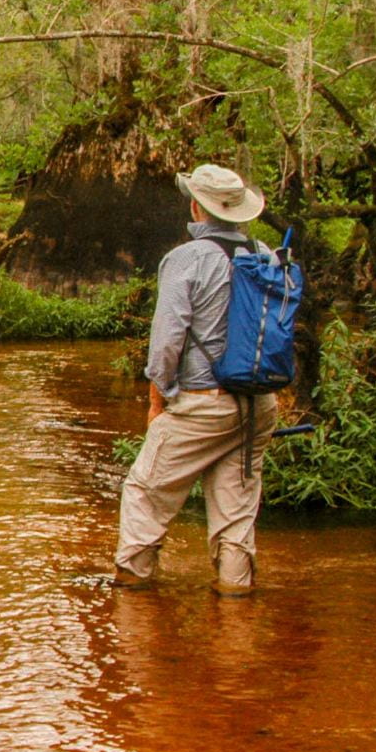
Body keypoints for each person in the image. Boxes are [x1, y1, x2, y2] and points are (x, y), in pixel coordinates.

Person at [114, 163, 280, 596]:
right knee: (236, 510)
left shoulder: (186, 258)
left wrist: (157, 402)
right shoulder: (266, 253)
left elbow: (167, 342)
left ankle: (133, 589)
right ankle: (235, 603)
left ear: (195, 207)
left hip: (204, 402)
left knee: (144, 492)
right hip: (258, 403)